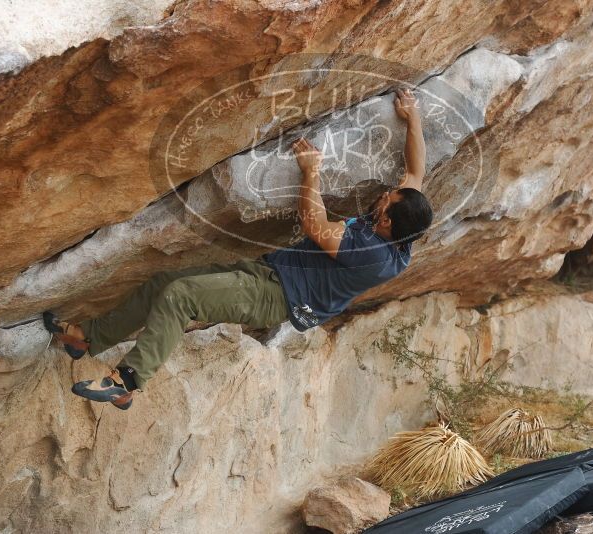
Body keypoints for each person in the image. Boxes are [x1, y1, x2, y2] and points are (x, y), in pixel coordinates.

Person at [43, 88, 433, 410]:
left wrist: (311, 171)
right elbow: (415, 173)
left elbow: (315, 225)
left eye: (388, 201)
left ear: (386, 224)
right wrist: (412, 117)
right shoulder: (401, 228)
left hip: (278, 296)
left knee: (180, 297)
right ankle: (87, 338)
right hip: (269, 271)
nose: (384, 195)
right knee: (163, 282)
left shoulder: (374, 254)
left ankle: (126, 382)